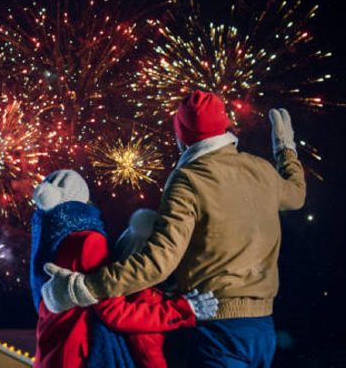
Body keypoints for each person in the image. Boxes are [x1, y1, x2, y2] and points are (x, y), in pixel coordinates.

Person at [40, 91, 306, 367]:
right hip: (262, 327)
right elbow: (296, 195)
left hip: (217, 327)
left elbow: (159, 262)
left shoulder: (189, 179)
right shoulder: (260, 170)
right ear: (225, 126)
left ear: (182, 136)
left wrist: (84, 287)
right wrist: (286, 150)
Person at [31, 169, 218, 368]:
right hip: (80, 357)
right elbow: (114, 312)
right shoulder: (89, 241)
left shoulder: (47, 244)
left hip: (51, 356)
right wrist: (182, 310)